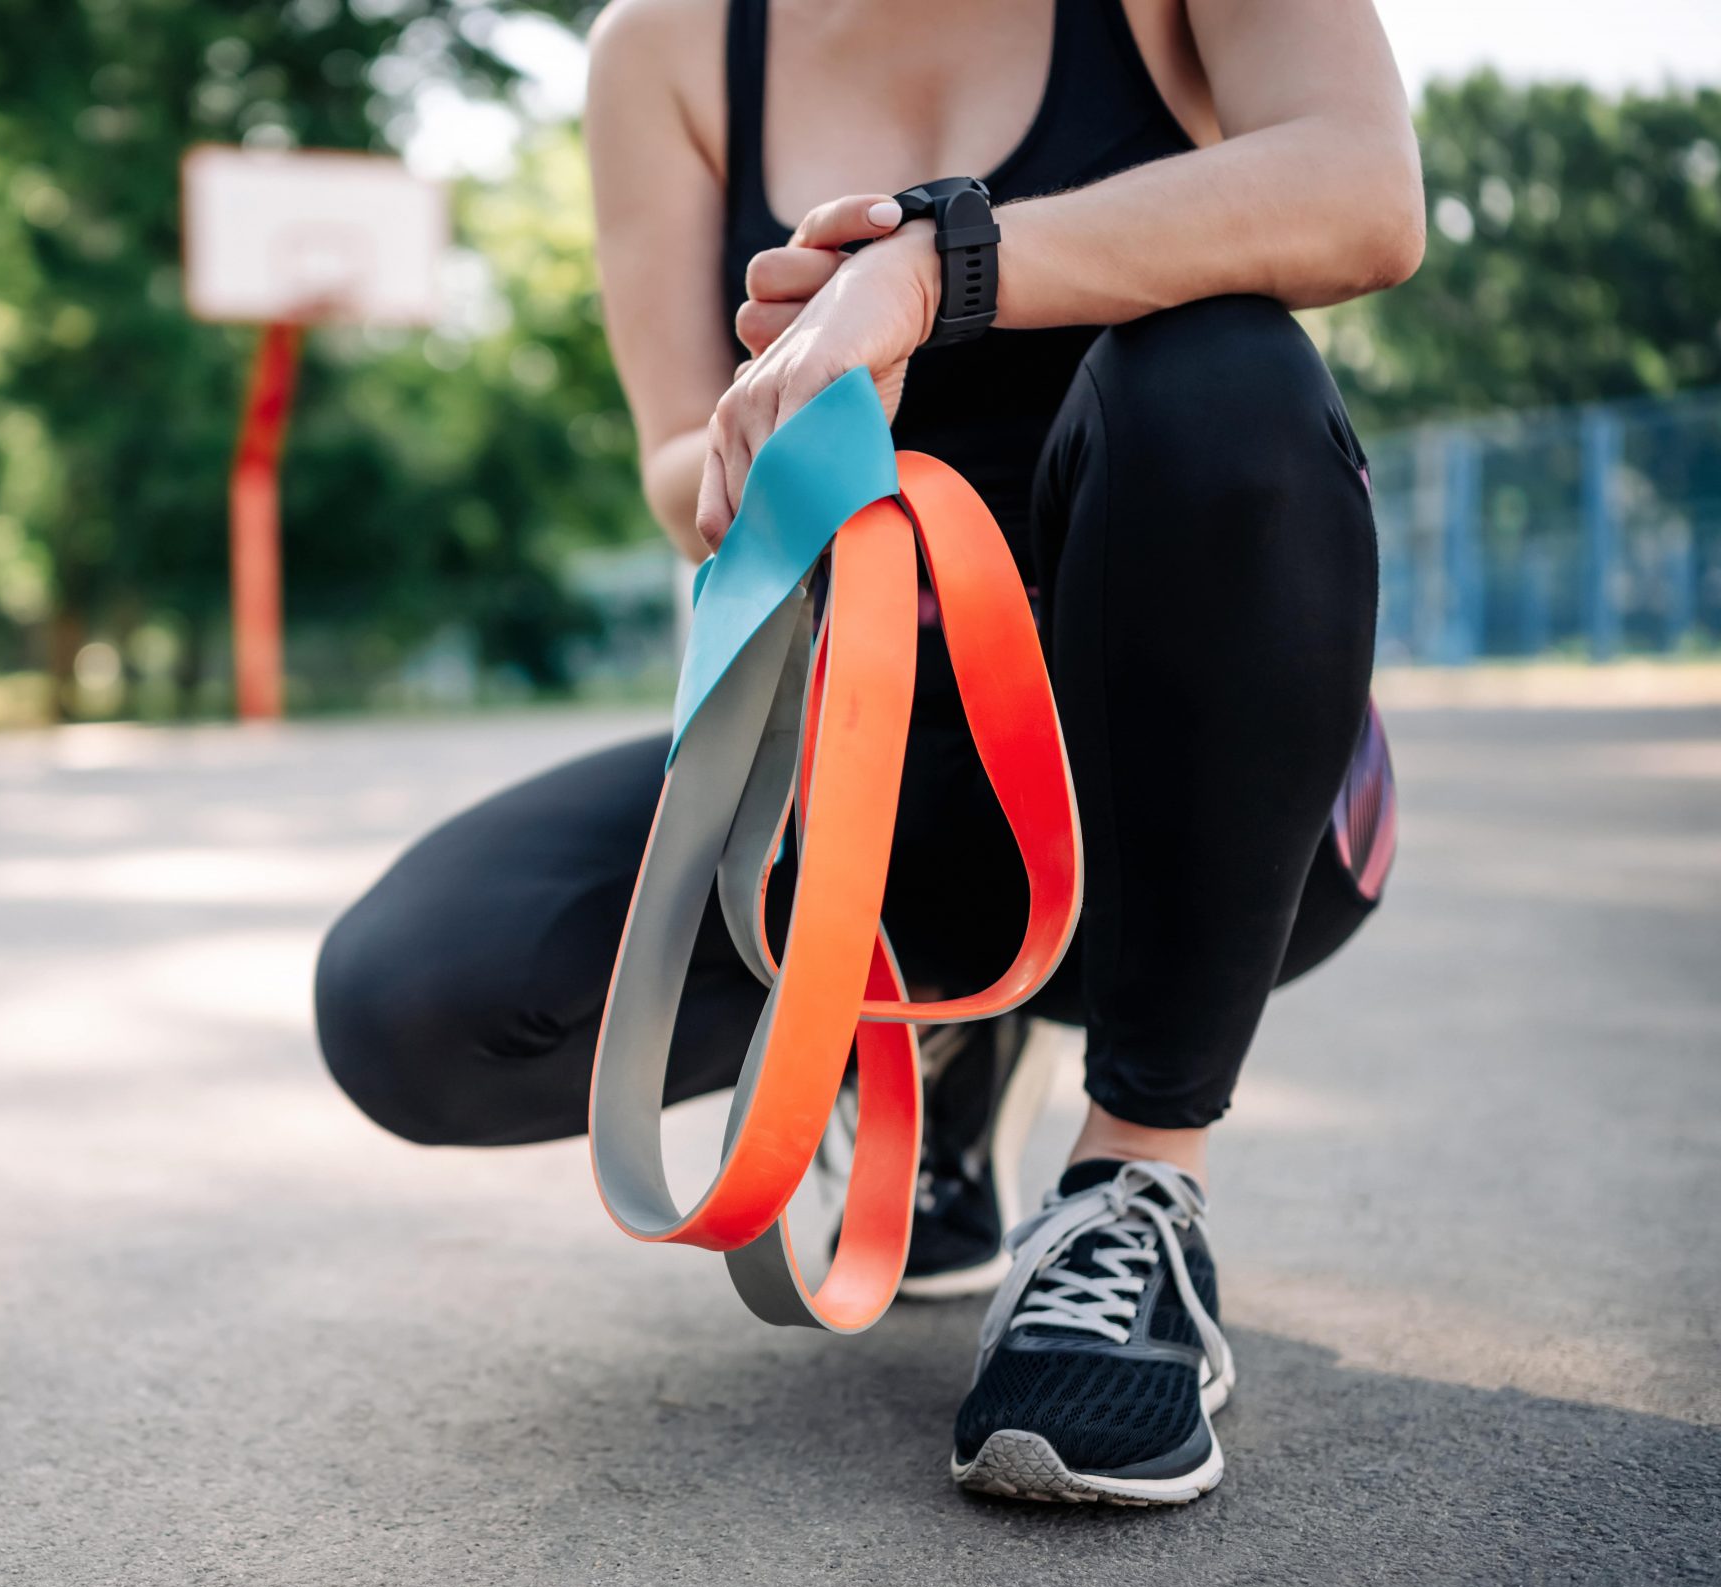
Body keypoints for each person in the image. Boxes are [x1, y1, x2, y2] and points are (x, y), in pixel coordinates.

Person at [314, 0, 1418, 1504]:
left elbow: (1364, 192)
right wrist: (784, 427)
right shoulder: (666, 46)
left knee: (1219, 368)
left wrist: (931, 273)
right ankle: (935, 1041)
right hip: (877, 760)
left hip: (1204, 793)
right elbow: (674, 457)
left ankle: (1137, 1179)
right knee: (412, 1000)